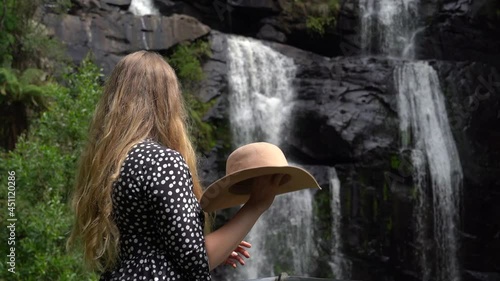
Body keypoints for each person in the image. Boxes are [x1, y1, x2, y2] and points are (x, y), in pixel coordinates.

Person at [67, 50, 284, 280]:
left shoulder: (111, 163)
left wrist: (221, 244)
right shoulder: (162, 161)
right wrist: (256, 204)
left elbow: (155, 247)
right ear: (167, 100)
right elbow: (196, 262)